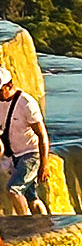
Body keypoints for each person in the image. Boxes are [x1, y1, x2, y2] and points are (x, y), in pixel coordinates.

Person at [0, 69, 49, 216]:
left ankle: (25, 225)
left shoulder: (26, 104)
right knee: (31, 197)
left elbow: (42, 135)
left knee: (14, 190)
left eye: (0, 91)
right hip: (14, 155)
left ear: (9, 85)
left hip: (31, 154)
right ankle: (45, 222)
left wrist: (44, 164)